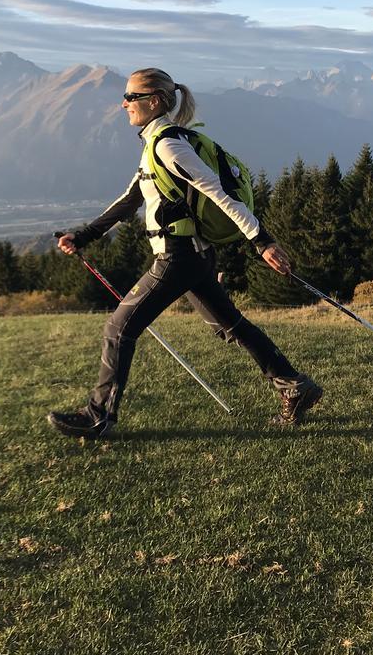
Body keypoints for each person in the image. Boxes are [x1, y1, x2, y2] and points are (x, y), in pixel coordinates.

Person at [47, 67, 323, 439]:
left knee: (119, 327)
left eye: (131, 97)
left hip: (178, 257)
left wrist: (262, 241)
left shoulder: (167, 145)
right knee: (232, 325)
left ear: (155, 101)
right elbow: (131, 199)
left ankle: (99, 417)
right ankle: (293, 384)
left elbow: (217, 193)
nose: (124, 103)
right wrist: (83, 236)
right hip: (193, 256)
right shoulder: (154, 144)